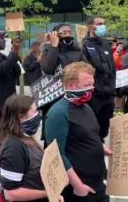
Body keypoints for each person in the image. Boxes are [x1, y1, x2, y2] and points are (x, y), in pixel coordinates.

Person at [45, 61, 110, 202]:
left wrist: (100, 146)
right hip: (78, 191)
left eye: (92, 84)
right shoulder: (59, 112)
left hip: (97, 185)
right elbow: (57, 155)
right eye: (87, 85)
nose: (91, 89)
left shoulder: (86, 107)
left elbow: (88, 134)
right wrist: (78, 185)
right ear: (71, 85)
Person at [0, 95, 63, 202]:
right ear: (21, 117)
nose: (38, 115)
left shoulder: (26, 137)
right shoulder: (13, 148)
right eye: (35, 111)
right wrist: (48, 193)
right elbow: (11, 194)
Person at [82, 16, 116, 140]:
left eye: (104, 23)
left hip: (108, 94)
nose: (102, 26)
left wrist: (114, 88)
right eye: (99, 23)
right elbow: (86, 68)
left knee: (104, 128)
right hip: (95, 95)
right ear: (90, 26)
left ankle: (99, 145)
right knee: (92, 128)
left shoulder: (106, 44)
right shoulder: (84, 44)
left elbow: (112, 68)